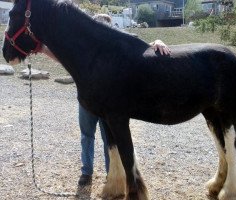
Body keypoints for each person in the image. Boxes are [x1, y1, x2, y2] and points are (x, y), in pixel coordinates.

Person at [39, 14, 171, 187]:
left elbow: (141, 47)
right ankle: (87, 172)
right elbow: (61, 56)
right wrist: (41, 48)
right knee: (87, 135)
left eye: (103, 25)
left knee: (110, 138)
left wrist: (158, 41)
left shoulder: (118, 43)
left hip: (110, 102)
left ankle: (113, 174)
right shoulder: (85, 48)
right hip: (88, 102)